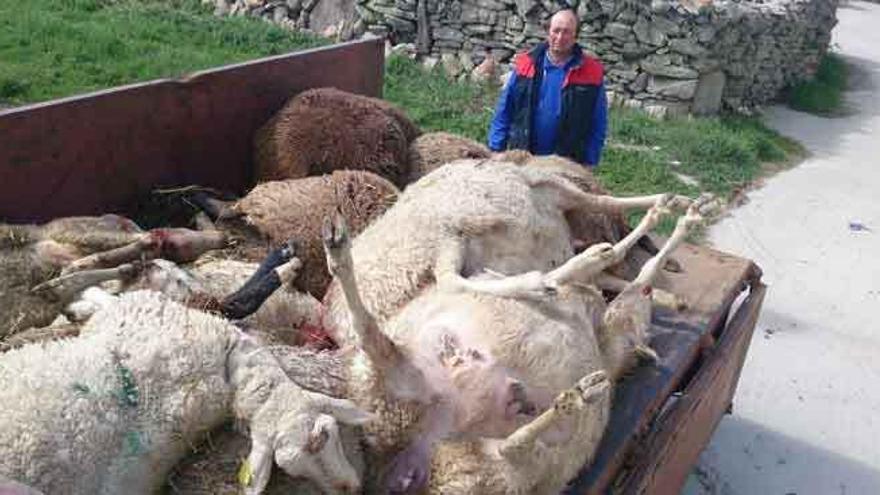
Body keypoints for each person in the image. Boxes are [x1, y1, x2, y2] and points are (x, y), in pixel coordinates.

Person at [488, 9, 608, 167]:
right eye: (556, 31)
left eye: (566, 32)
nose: (560, 37)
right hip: (524, 157)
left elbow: (598, 122)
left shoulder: (591, 72)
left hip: (568, 162)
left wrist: (590, 161)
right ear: (548, 32)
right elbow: (504, 109)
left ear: (575, 36)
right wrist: (496, 149)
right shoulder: (526, 64)